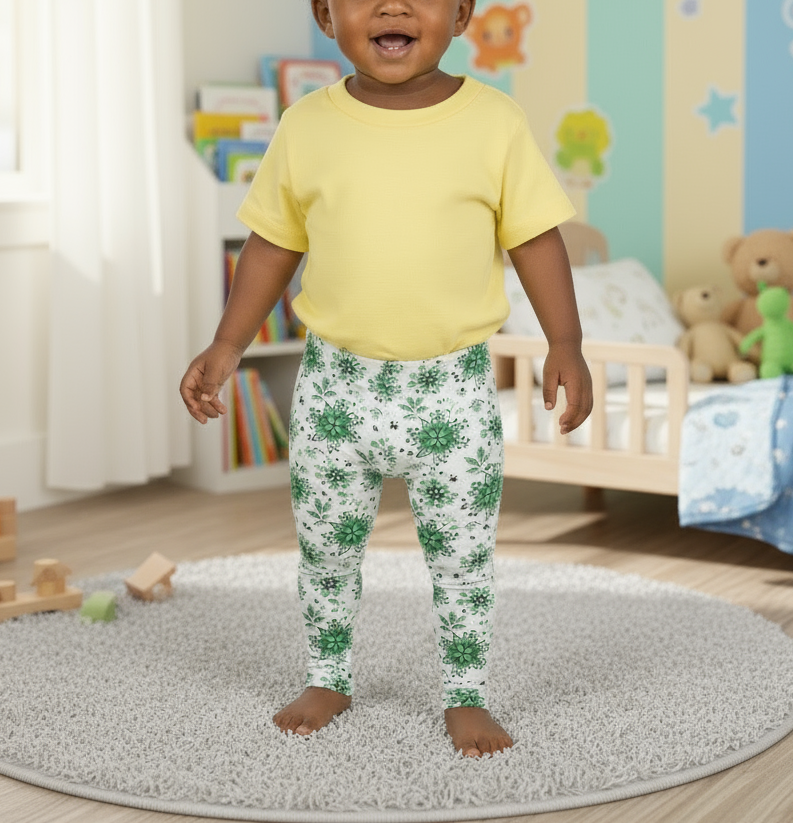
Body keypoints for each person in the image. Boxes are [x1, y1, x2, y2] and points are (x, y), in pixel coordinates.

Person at [180, 0, 593, 759]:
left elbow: (535, 238)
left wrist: (563, 341)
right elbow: (272, 244)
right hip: (335, 387)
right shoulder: (306, 125)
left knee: (462, 558)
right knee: (325, 551)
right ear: (325, 14)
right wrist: (228, 343)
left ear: (462, 14)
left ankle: (465, 691)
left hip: (452, 393)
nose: (393, 5)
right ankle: (328, 675)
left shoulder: (493, 122)